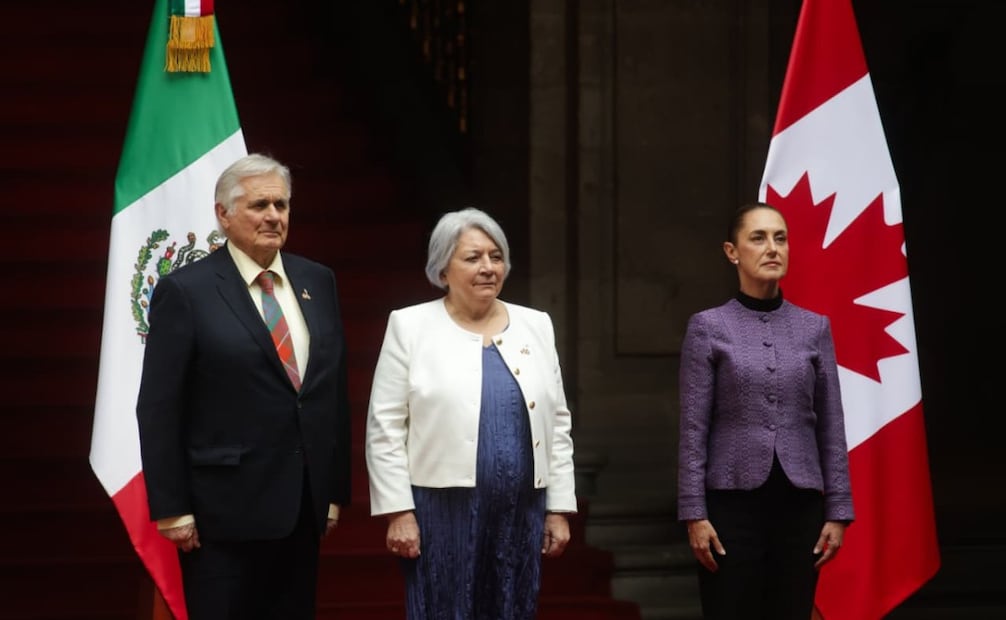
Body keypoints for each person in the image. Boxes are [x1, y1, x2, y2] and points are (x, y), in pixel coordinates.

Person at [135, 153, 351, 619]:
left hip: (300, 508)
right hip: (221, 516)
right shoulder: (186, 291)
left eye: (282, 205)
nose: (274, 216)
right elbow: (159, 407)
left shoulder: (318, 280)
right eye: (259, 206)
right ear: (223, 214)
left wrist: (332, 490)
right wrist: (172, 508)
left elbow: (330, 392)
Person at [364, 206, 577, 619]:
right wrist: (398, 512)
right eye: (473, 257)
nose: (488, 267)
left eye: (496, 257)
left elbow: (559, 423)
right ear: (443, 269)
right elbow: (385, 427)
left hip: (521, 509)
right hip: (439, 511)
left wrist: (558, 508)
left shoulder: (536, 324)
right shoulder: (409, 326)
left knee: (512, 608)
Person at [677, 202, 855, 620]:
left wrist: (839, 510)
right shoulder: (708, 327)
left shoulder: (815, 327)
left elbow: (831, 423)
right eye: (758, 238)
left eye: (780, 238)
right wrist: (693, 513)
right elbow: (692, 427)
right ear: (731, 251)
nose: (772, 247)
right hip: (729, 506)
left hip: (800, 506)